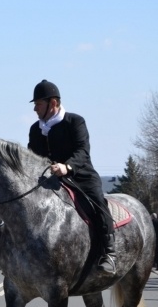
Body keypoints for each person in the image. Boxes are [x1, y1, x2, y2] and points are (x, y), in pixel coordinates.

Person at [28, 79, 115, 275]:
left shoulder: (75, 122)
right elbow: (31, 156)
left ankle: (109, 252)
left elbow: (83, 151)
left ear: (53, 104)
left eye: (38, 104)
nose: (35, 108)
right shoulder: (35, 129)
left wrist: (67, 167)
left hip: (80, 176)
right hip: (49, 180)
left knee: (98, 204)